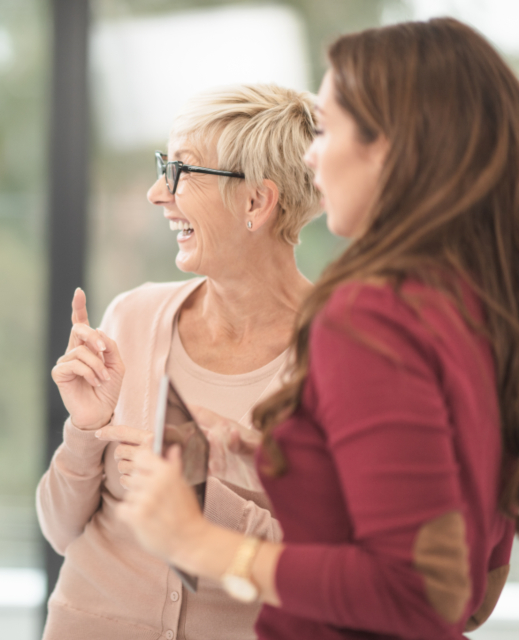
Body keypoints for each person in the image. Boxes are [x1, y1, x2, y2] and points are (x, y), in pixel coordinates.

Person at [118, 17, 518, 640]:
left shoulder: (369, 317)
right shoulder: (478, 307)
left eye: (327, 128)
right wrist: (291, 458)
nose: (311, 153)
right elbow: (472, 584)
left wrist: (199, 543)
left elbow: (416, 589)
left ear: (390, 148)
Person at [38, 84, 322, 639]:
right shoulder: (133, 316)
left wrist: (198, 495)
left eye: (182, 172)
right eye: (162, 166)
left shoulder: (339, 353)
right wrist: (85, 429)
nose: (155, 193)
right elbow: (60, 530)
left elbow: (339, 568)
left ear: (257, 202)